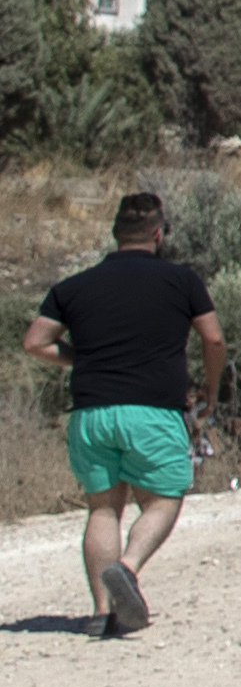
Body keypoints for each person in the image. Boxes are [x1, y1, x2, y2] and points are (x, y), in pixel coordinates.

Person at [25, 192, 224, 640]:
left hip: (91, 412)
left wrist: (82, 358)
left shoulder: (74, 285)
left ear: (115, 235)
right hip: (152, 411)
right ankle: (128, 568)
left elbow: (35, 342)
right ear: (159, 233)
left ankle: (101, 612)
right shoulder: (181, 281)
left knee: (102, 508)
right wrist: (209, 392)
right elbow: (212, 340)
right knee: (164, 498)